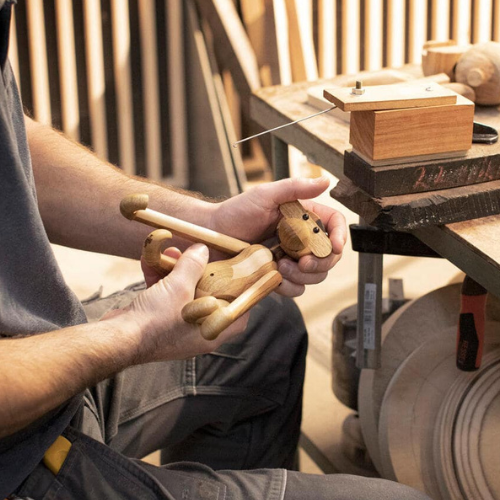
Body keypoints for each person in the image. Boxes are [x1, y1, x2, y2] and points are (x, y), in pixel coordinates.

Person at [0, 2, 431, 499]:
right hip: (16, 462)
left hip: (44, 376)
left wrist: (204, 223)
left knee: (268, 329)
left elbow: (13, 149)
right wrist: (131, 334)